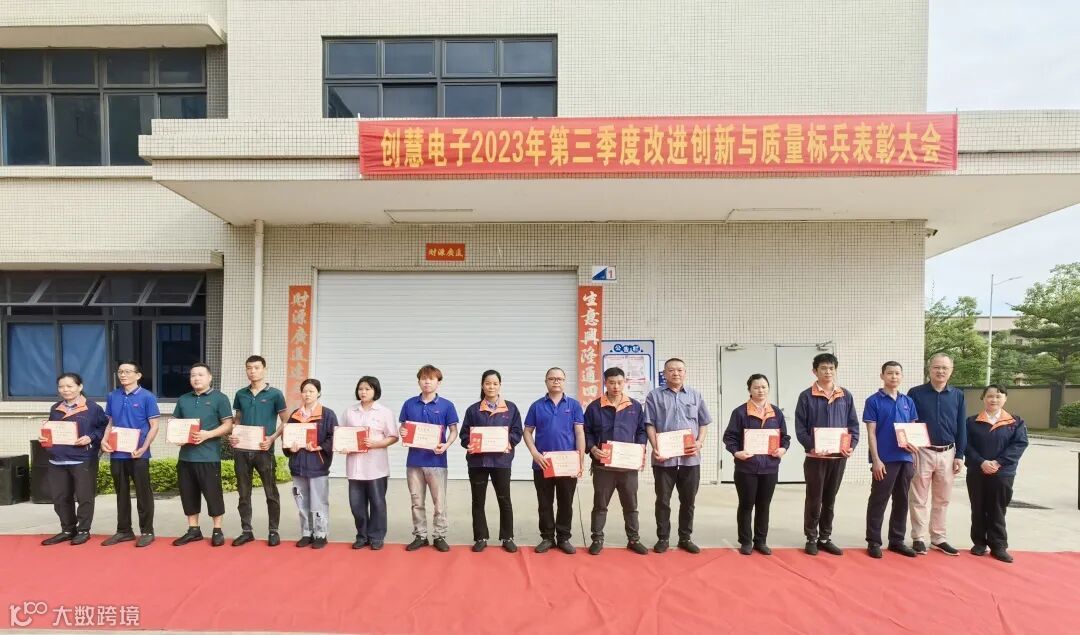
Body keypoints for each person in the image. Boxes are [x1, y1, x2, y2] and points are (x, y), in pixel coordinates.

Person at [644, 358, 712, 554]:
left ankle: (685, 537)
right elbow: (649, 424)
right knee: (663, 501)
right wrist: (655, 447)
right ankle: (663, 538)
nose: (676, 373)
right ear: (664, 373)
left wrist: (699, 442)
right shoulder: (654, 396)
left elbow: (703, 422)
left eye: (680, 370)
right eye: (671, 370)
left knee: (688, 501)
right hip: (664, 459)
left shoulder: (695, 395)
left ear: (685, 373)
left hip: (690, 459)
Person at [794, 352, 859, 556]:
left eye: (831, 368)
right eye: (823, 368)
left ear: (835, 370)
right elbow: (800, 427)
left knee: (830, 499)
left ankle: (825, 537)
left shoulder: (845, 395)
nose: (828, 372)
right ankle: (811, 537)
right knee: (814, 498)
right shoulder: (806, 396)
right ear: (815, 371)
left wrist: (851, 445)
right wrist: (811, 446)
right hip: (816, 458)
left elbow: (853, 425)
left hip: (838, 458)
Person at [906, 353, 966, 556]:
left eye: (945, 368)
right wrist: (911, 449)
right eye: (936, 367)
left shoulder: (958, 395)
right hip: (923, 451)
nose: (940, 371)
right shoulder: (916, 393)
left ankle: (938, 538)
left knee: (942, 499)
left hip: (948, 453)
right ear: (929, 369)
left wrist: (960, 455)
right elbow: (909, 422)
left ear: (951, 371)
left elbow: (961, 425)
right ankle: (918, 538)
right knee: (918, 497)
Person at [722, 374, 789, 555]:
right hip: (746, 468)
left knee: (764, 505)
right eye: (756, 387)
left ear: (768, 389)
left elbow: (785, 437)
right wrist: (736, 452)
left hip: (770, 468)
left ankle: (761, 541)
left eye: (764, 387)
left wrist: (783, 449)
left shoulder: (776, 413)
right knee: (746, 504)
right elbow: (729, 437)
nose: (760, 390)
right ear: (749, 390)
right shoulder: (740, 412)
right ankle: (745, 541)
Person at [584, 366, 648, 556]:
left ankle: (633, 539)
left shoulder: (634, 406)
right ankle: (597, 538)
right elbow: (586, 432)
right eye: (612, 383)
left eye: (619, 382)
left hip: (628, 467)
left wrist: (641, 449)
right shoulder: (594, 407)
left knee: (631, 506)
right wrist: (592, 448)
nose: (616, 386)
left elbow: (641, 431)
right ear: (605, 383)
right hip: (603, 467)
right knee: (600, 505)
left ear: (624, 382)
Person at [39, 373, 108, 546]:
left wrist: (91, 437)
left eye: (69, 386)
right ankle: (68, 529)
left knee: (84, 497)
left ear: (80, 387)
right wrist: (45, 438)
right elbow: (52, 429)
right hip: (58, 460)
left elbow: (104, 428)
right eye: (61, 386)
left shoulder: (93, 408)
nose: (65, 390)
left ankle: (83, 530)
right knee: (60, 498)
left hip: (82, 459)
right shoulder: (55, 408)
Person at [522, 367, 585, 554]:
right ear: (546, 382)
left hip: (568, 464)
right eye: (552, 378)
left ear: (564, 381)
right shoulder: (536, 406)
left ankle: (564, 537)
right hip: (543, 463)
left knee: (566, 502)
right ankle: (547, 537)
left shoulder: (574, 405)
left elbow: (579, 433)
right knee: (545, 503)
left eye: (559, 378)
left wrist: (580, 459)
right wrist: (534, 453)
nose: (556, 381)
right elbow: (527, 432)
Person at [460, 370, 523, 553]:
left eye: (495, 383)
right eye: (488, 383)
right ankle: (481, 537)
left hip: (501, 462)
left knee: (504, 499)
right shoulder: (473, 410)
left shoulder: (511, 408)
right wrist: (469, 443)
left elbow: (517, 431)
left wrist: (509, 442)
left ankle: (507, 537)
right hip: (477, 462)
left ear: (500, 386)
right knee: (478, 501)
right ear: (482, 385)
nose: (491, 387)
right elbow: (464, 434)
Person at [171, 363, 234, 547]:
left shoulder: (220, 398)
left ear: (210, 377)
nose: (196, 378)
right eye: (193, 375)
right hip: (186, 457)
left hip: (209, 456)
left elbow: (228, 425)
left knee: (213, 494)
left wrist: (208, 434)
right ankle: (193, 530)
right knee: (188, 494)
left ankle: (217, 530)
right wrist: (176, 437)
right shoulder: (183, 399)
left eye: (200, 375)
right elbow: (175, 423)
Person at [100, 360, 161, 548]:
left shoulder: (147, 397)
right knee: (121, 493)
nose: (123, 375)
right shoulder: (113, 396)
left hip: (138, 453)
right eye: (120, 371)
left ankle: (147, 531)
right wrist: (104, 440)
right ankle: (124, 530)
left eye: (127, 371)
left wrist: (144, 447)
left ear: (138, 375)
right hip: (117, 452)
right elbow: (110, 423)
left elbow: (154, 426)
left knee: (143, 493)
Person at [399, 365, 459, 553]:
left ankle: (439, 535)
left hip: (437, 461)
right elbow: (403, 427)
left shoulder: (447, 405)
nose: (427, 382)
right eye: (423, 378)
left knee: (439, 502)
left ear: (438, 382)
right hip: (414, 462)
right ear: (419, 381)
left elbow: (454, 430)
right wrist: (402, 432)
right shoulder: (409, 404)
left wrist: (446, 445)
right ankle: (420, 535)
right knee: (416, 501)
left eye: (431, 379)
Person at [965, 384, 1028, 563]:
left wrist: (998, 462)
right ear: (983, 398)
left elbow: (1019, 444)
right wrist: (982, 462)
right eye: (990, 396)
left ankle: (998, 545)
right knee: (978, 507)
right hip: (977, 471)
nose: (994, 399)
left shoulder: (1015, 422)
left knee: (997, 509)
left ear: (1005, 399)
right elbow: (966, 445)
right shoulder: (972, 421)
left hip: (1003, 473)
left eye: (998, 396)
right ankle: (979, 543)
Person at [230, 355, 289, 547]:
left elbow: (285, 420)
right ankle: (246, 531)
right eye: (249, 368)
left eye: (256, 367)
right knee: (243, 493)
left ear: (264, 369)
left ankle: (273, 531)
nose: (252, 371)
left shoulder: (275, 394)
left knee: (270, 492)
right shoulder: (240, 394)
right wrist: (233, 434)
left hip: (264, 450)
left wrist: (271, 438)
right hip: (242, 450)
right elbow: (238, 418)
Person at [863, 362, 919, 559]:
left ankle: (897, 540)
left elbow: (913, 431)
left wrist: (914, 456)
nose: (893, 376)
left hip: (905, 459)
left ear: (901, 376)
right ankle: (873, 541)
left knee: (902, 500)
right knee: (879, 500)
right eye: (889, 373)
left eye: (897, 373)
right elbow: (871, 433)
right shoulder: (873, 401)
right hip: (885, 459)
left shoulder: (908, 401)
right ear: (882, 376)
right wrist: (876, 460)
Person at [339, 376, 398, 550]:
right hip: (355, 466)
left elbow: (393, 436)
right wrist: (343, 446)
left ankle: (376, 536)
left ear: (375, 391)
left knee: (378, 503)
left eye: (367, 389)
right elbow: (342, 434)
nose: (363, 392)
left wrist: (376, 444)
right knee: (356, 505)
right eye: (360, 389)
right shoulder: (349, 412)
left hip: (376, 466)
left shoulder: (384, 412)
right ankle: (362, 535)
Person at [283, 378, 338, 549]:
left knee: (318, 502)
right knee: (301, 501)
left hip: (317, 466)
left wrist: (320, 447)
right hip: (298, 465)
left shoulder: (327, 414)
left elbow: (334, 436)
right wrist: (290, 447)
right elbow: (287, 436)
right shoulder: (295, 415)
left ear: (318, 393)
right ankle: (307, 533)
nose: (307, 394)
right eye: (304, 391)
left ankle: (321, 534)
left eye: (311, 391)